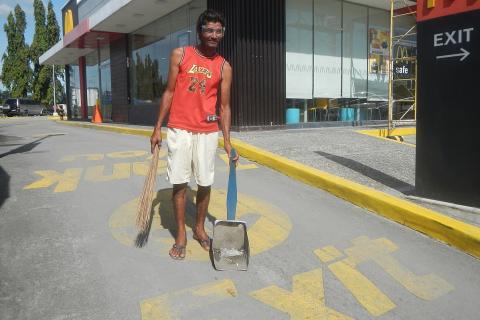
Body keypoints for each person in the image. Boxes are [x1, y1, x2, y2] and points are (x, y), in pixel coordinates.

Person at [150, 9, 238, 260]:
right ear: (200, 31)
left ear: (222, 34)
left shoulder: (224, 66)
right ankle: (180, 234)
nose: (213, 35)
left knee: (205, 182)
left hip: (207, 131)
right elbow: (168, 92)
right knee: (179, 182)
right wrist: (157, 127)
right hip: (179, 128)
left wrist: (228, 142)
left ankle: (199, 228)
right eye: (209, 30)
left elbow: (225, 107)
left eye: (218, 31)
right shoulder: (181, 54)